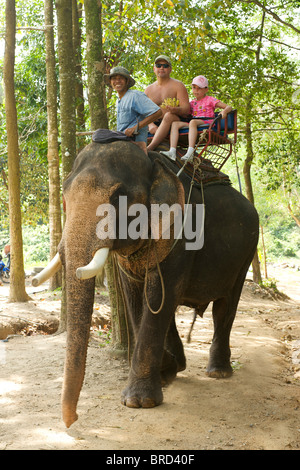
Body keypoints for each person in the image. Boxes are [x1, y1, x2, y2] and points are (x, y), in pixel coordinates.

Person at [161, 75, 232, 161]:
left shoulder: (210, 99)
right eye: (194, 87)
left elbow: (229, 107)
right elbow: (186, 114)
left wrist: (224, 111)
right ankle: (172, 151)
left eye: (199, 88)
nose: (196, 90)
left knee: (193, 122)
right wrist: (174, 109)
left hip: (208, 122)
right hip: (194, 123)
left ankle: (190, 152)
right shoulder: (192, 103)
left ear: (206, 89)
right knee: (175, 124)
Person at [104, 66, 162, 154]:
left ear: (127, 81)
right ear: (110, 82)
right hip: (121, 141)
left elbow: (158, 112)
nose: (117, 81)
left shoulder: (135, 96)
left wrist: (135, 128)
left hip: (135, 144)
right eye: (114, 79)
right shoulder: (118, 100)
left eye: (121, 78)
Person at [145, 55, 190, 151]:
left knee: (168, 115)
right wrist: (150, 125)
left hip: (174, 119)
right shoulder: (148, 90)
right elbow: (143, 112)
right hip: (156, 123)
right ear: (154, 69)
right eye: (158, 65)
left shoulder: (178, 85)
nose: (161, 68)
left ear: (170, 69)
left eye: (165, 66)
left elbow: (186, 109)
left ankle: (150, 148)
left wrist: (176, 110)